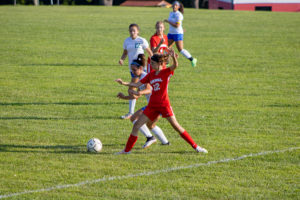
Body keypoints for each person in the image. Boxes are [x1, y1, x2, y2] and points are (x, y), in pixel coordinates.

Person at [115, 49, 208, 154]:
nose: (151, 65)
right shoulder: (151, 75)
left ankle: (196, 147)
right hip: (152, 106)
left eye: (153, 63)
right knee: (136, 125)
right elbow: (137, 85)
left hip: (164, 105)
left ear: (159, 63)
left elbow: (175, 66)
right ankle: (126, 151)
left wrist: (173, 57)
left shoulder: (166, 72)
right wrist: (123, 83)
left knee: (176, 126)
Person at [117, 54, 169, 149]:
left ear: (141, 68)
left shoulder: (146, 76)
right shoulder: (138, 77)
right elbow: (135, 96)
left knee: (134, 118)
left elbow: (149, 90)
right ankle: (165, 142)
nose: (133, 72)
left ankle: (150, 138)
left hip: (158, 105)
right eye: (131, 70)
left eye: (134, 70)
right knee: (150, 125)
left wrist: (139, 92)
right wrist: (124, 96)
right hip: (152, 105)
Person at [119, 23, 153, 119]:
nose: (132, 32)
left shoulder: (141, 40)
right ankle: (152, 108)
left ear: (138, 31)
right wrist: (122, 59)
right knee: (136, 89)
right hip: (132, 69)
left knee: (136, 89)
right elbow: (125, 53)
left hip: (141, 69)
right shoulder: (127, 41)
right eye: (130, 30)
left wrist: (155, 63)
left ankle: (131, 113)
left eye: (134, 30)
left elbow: (150, 52)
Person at [164, 1, 197, 67]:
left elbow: (177, 25)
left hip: (177, 34)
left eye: (176, 5)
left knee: (180, 49)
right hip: (171, 33)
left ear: (178, 7)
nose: (174, 6)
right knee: (167, 47)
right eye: (173, 5)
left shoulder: (179, 15)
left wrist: (168, 22)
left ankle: (192, 59)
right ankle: (167, 63)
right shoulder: (171, 13)